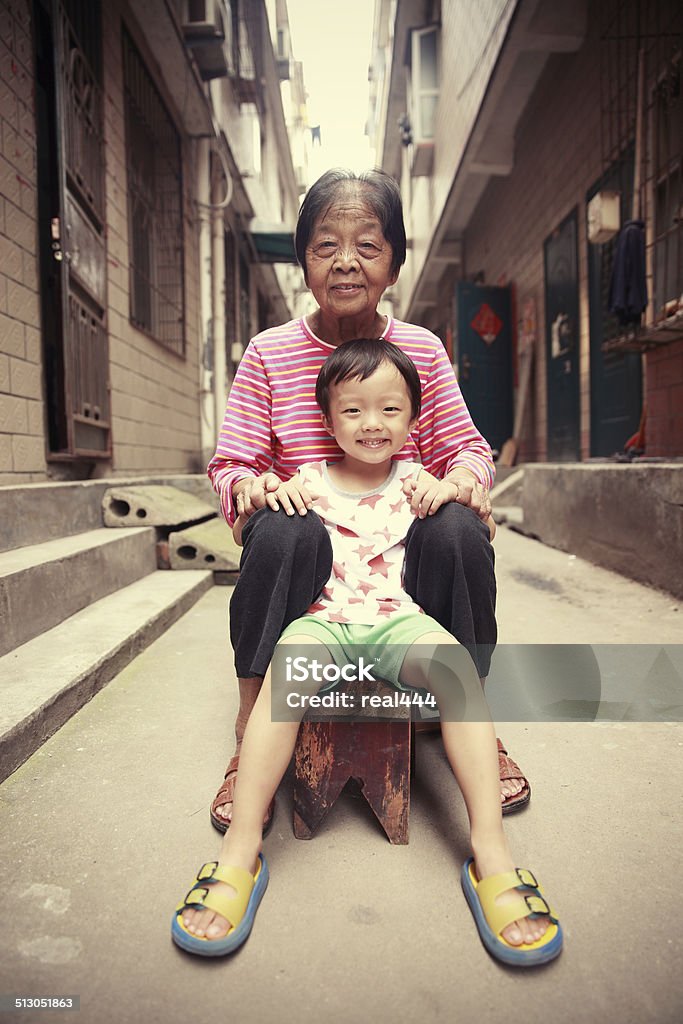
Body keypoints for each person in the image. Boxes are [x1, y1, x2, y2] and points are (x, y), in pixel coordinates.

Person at [172, 340, 562, 966]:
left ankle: (492, 854)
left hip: (397, 623)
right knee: (285, 677)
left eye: (389, 409)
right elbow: (261, 523)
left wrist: (462, 494)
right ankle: (240, 852)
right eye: (352, 411)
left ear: (413, 420)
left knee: (456, 671)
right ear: (327, 421)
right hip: (323, 623)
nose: (372, 424)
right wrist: (263, 488)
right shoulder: (307, 482)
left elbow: (469, 520)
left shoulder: (419, 482)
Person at [206, 168, 530, 834]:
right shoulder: (269, 354)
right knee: (274, 530)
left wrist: (460, 483)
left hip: (399, 563)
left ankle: (471, 718)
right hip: (314, 566)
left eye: (367, 246)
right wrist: (250, 486)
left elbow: (468, 450)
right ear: (302, 262)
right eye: (325, 245)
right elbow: (230, 463)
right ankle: (251, 728)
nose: (345, 261)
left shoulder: (422, 349)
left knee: (459, 531)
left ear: (393, 264)